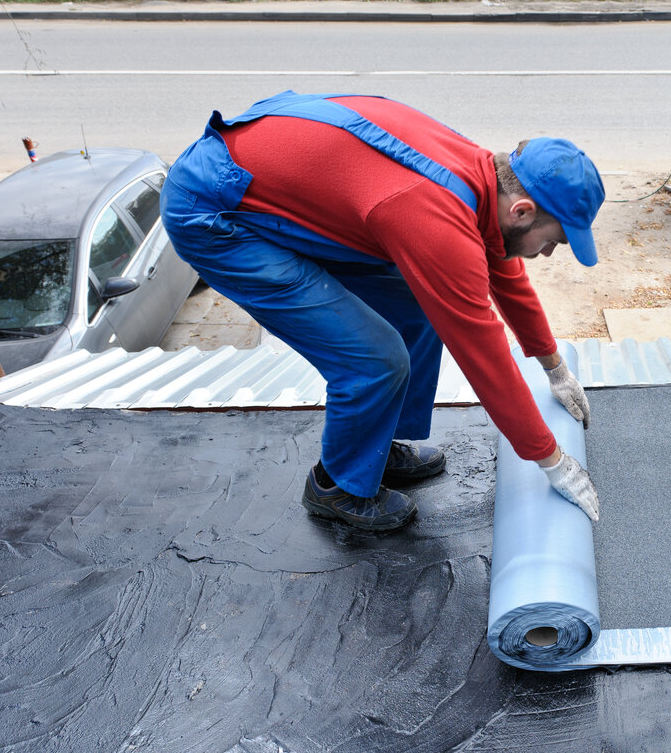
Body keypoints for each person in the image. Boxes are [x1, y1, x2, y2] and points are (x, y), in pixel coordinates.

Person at [161, 91, 604, 532]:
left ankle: (373, 445)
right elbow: (484, 354)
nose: (545, 254)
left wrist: (554, 367)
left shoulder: (483, 177)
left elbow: (503, 270)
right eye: (553, 241)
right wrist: (553, 460)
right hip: (218, 212)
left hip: (275, 185)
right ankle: (337, 487)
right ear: (523, 210)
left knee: (417, 306)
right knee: (374, 357)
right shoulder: (434, 214)